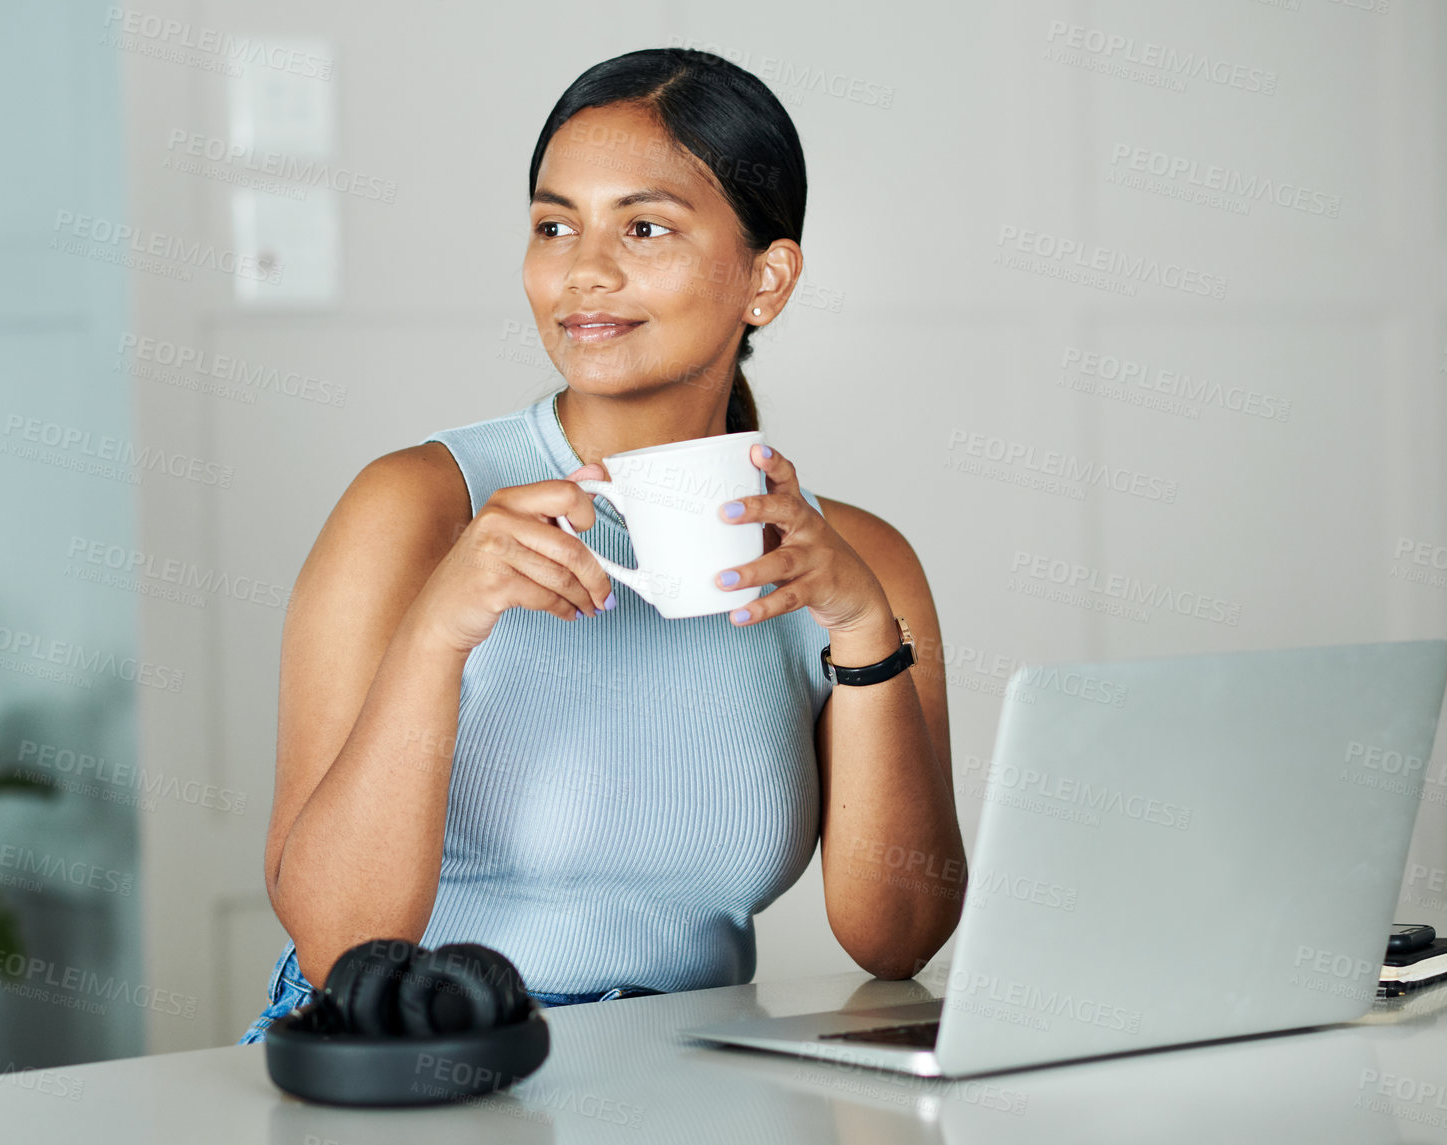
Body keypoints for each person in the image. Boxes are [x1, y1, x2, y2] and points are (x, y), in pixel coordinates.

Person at [240, 47, 963, 1044]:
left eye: (644, 226)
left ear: (766, 276)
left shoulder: (854, 564)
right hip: (430, 1071)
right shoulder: (412, 508)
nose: (583, 269)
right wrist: (434, 637)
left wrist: (860, 626)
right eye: (553, 225)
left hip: (694, 1077)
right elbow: (337, 941)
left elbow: (899, 938)